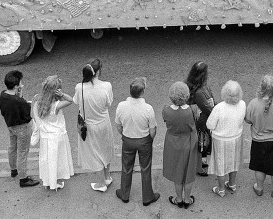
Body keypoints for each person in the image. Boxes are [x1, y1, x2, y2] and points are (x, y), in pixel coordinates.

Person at [114, 78, 160, 206]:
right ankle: (147, 197)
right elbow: (152, 129)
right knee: (145, 168)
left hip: (128, 139)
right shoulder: (148, 108)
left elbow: (118, 125)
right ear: (143, 92)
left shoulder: (121, 106)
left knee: (126, 167)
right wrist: (150, 140)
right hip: (144, 140)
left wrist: (125, 134)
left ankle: (124, 194)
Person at [73, 59, 115, 192]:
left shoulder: (80, 87)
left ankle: (101, 183)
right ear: (98, 72)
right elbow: (109, 103)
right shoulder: (107, 85)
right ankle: (107, 177)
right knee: (105, 148)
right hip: (104, 122)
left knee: (94, 153)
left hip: (89, 125)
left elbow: (76, 101)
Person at [32, 76, 74, 191]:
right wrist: (62, 94)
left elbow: (35, 117)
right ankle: (56, 182)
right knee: (57, 160)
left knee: (46, 160)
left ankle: (47, 182)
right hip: (57, 136)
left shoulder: (37, 100)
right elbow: (71, 100)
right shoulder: (56, 105)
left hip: (45, 137)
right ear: (56, 91)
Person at [162, 81, 199, 209]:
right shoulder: (192, 109)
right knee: (188, 173)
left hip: (173, 143)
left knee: (178, 173)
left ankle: (178, 199)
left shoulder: (166, 110)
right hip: (189, 142)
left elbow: (166, 120)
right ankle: (187, 199)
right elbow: (196, 119)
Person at [0, 70, 38, 187]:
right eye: (20, 83)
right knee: (22, 153)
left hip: (10, 126)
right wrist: (25, 100)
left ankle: (13, 170)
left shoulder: (3, 95)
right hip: (22, 128)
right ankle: (23, 178)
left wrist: (19, 95)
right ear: (16, 86)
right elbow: (27, 115)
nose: (22, 84)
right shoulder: (19, 102)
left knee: (12, 148)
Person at [206, 80, 246, 198]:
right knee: (234, 161)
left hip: (220, 140)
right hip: (236, 138)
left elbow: (210, 125)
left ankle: (221, 189)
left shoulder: (219, 107)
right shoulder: (243, 104)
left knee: (220, 164)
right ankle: (232, 184)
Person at [184, 61, 215, 177]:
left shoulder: (192, 86)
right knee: (200, 144)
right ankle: (199, 168)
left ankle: (199, 163)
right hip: (201, 122)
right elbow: (208, 109)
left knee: (200, 144)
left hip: (198, 120)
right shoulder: (200, 91)